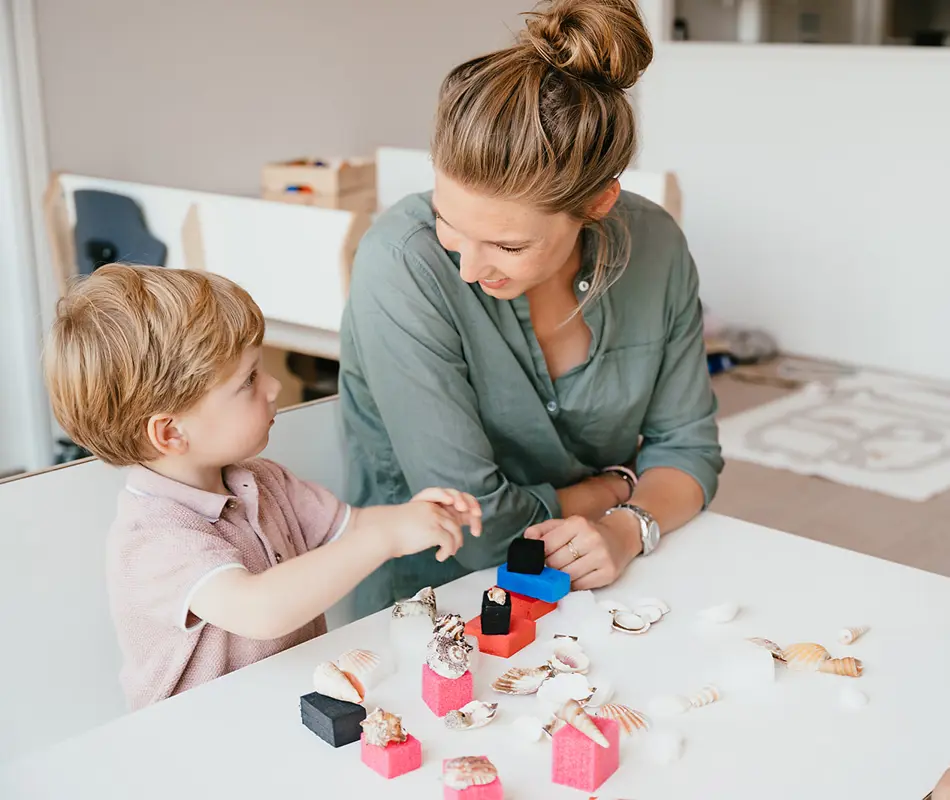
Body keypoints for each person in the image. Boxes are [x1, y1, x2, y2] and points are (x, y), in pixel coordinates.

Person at [339, 0, 723, 616]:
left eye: (509, 245)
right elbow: (477, 527)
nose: (468, 268)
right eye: (448, 224)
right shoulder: (401, 263)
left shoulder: (655, 244)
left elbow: (689, 451)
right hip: (427, 608)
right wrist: (618, 486)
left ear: (598, 203)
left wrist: (628, 527)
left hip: (607, 589)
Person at [43, 264, 481, 710]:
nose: (273, 386)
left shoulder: (262, 480)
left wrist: (414, 517)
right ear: (171, 433)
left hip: (285, 712)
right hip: (197, 749)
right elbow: (260, 608)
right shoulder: (153, 539)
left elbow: (352, 528)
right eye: (249, 379)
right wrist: (384, 538)